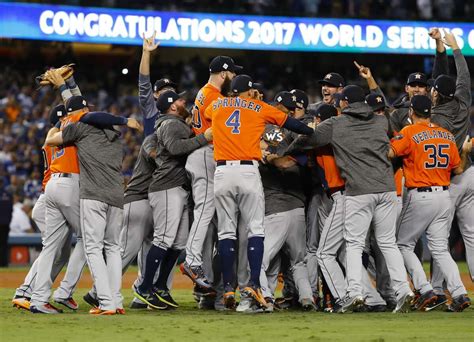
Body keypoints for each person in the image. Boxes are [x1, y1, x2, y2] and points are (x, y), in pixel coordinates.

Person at [286, 85, 414, 313]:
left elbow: (308, 140)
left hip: (358, 191)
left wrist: (287, 148)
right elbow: (396, 139)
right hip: (386, 190)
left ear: (344, 103)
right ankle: (404, 290)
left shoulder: (336, 124)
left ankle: (354, 293)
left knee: (353, 244)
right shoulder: (380, 121)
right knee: (387, 243)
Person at [206, 74, 314, 310]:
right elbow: (291, 124)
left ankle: (227, 288)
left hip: (222, 172)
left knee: (225, 232)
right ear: (248, 90)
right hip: (247, 170)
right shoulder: (258, 107)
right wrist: (309, 129)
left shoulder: (216, 105)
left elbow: (208, 114)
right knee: (255, 228)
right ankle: (253, 284)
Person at [45, 96, 142, 315]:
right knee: (113, 248)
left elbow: (52, 142)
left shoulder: (81, 129)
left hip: (94, 195)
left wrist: (55, 129)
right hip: (117, 194)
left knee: (93, 248)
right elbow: (97, 117)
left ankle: (106, 303)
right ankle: (116, 301)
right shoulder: (116, 138)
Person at [390, 95, 471, 312]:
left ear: (411, 112)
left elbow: (390, 153)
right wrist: (464, 151)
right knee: (440, 249)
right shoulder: (446, 135)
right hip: (444, 196)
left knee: (402, 244)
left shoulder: (408, 132)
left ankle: (424, 289)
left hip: (421, 195)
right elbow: (459, 169)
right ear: (430, 113)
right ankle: (459, 293)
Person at [133, 90, 212, 310]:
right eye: (179, 99)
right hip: (167, 187)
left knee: (178, 242)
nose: (183, 101)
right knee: (164, 239)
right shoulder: (171, 124)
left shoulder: (174, 123)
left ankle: (159, 286)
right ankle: (144, 286)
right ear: (172, 106)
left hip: (176, 187)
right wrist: (203, 137)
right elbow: (176, 148)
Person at [182, 55, 241, 291]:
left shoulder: (204, 92)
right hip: (205, 154)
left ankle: (201, 268)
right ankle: (192, 260)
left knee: (209, 214)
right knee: (204, 210)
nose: (235, 78)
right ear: (224, 74)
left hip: (201, 155)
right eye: (233, 74)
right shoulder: (213, 96)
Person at [429, 29, 474, 308]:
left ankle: (435, 289)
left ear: (436, 95)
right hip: (470, 173)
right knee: (471, 233)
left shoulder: (435, 117)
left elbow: (443, 83)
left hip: (449, 178)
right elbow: (463, 77)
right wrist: (453, 49)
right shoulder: (462, 101)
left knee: (439, 235)